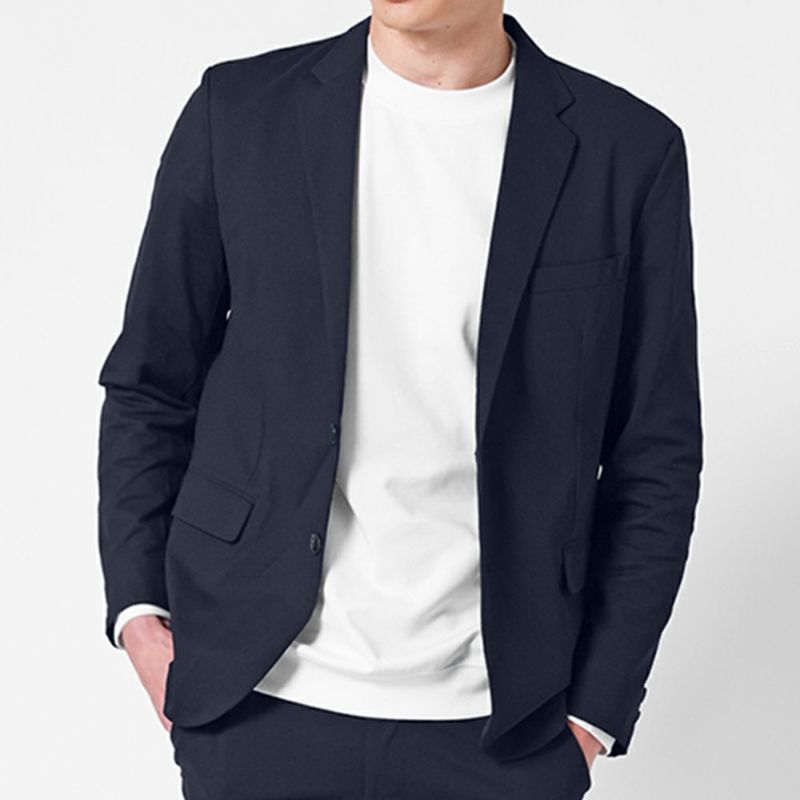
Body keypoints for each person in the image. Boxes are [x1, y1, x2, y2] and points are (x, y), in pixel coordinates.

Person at [97, 2, 703, 797]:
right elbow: (152, 381)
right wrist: (139, 614)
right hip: (260, 699)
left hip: (504, 725)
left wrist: (596, 711)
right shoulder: (240, 113)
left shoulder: (626, 150)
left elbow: (655, 454)